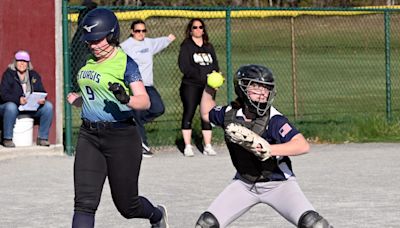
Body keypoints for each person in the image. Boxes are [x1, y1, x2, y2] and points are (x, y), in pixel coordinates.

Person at [66, 8, 168, 228]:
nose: (92, 46)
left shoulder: (125, 63)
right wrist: (78, 101)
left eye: (97, 40)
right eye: (89, 42)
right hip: (89, 136)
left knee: (127, 206)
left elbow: (144, 101)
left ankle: (157, 216)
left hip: (121, 137)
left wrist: (126, 99)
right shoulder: (90, 62)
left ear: (112, 35)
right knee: (84, 203)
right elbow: (96, 98)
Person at [196, 64, 333, 228]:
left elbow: (302, 145)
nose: (262, 93)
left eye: (266, 88)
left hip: (279, 184)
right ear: (242, 89)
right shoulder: (229, 114)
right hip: (244, 184)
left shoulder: (274, 119)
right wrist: (210, 88)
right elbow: (206, 113)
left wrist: (271, 149)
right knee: (206, 224)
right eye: (255, 86)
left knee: (314, 224)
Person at [120, 19, 176, 158]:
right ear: (132, 32)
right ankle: (142, 145)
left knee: (158, 109)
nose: (141, 33)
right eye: (138, 31)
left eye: (143, 30)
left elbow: (160, 42)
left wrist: (169, 39)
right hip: (134, 85)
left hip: (148, 85)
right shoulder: (126, 46)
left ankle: (133, 123)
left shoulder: (149, 43)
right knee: (137, 114)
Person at [178, 18, 219, 157]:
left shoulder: (209, 46)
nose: (198, 30)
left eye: (200, 27)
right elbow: (184, 66)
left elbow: (215, 66)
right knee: (189, 112)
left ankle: (207, 145)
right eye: (195, 27)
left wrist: (215, 80)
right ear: (190, 30)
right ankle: (187, 146)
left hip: (208, 87)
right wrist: (201, 76)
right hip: (191, 85)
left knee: (206, 115)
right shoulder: (186, 46)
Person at [0, 50, 53, 148]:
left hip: (29, 107)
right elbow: (3, 94)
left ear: (28, 63)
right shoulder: (9, 74)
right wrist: (18, 100)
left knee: (48, 107)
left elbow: (41, 90)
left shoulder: (34, 75)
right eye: (19, 61)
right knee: (11, 107)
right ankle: (7, 139)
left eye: (24, 61)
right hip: (13, 107)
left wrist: (41, 99)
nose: (22, 63)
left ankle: (43, 138)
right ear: (15, 62)